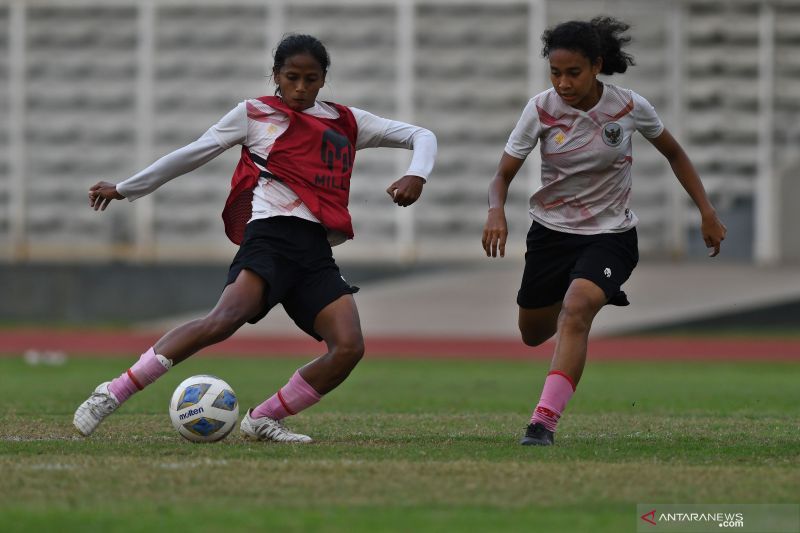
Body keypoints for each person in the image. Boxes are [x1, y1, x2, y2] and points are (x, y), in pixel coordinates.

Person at [73, 34, 437, 443]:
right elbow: (192, 153)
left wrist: (416, 174)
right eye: (292, 77)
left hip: (314, 252)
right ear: (276, 76)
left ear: (323, 80)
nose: (300, 88)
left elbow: (421, 135)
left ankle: (262, 418)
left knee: (349, 347)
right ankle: (112, 392)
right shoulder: (255, 113)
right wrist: (126, 188)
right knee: (222, 322)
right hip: (270, 239)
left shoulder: (347, 121)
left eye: (310, 79)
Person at [481, 17, 726, 446]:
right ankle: (587, 284)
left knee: (575, 312)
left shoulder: (629, 106)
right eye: (555, 73)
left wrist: (706, 211)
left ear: (596, 66)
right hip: (550, 234)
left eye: (572, 72)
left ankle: (543, 422)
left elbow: (675, 154)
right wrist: (495, 211)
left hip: (611, 234)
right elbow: (501, 175)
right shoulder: (540, 109)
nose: (563, 83)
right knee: (533, 332)